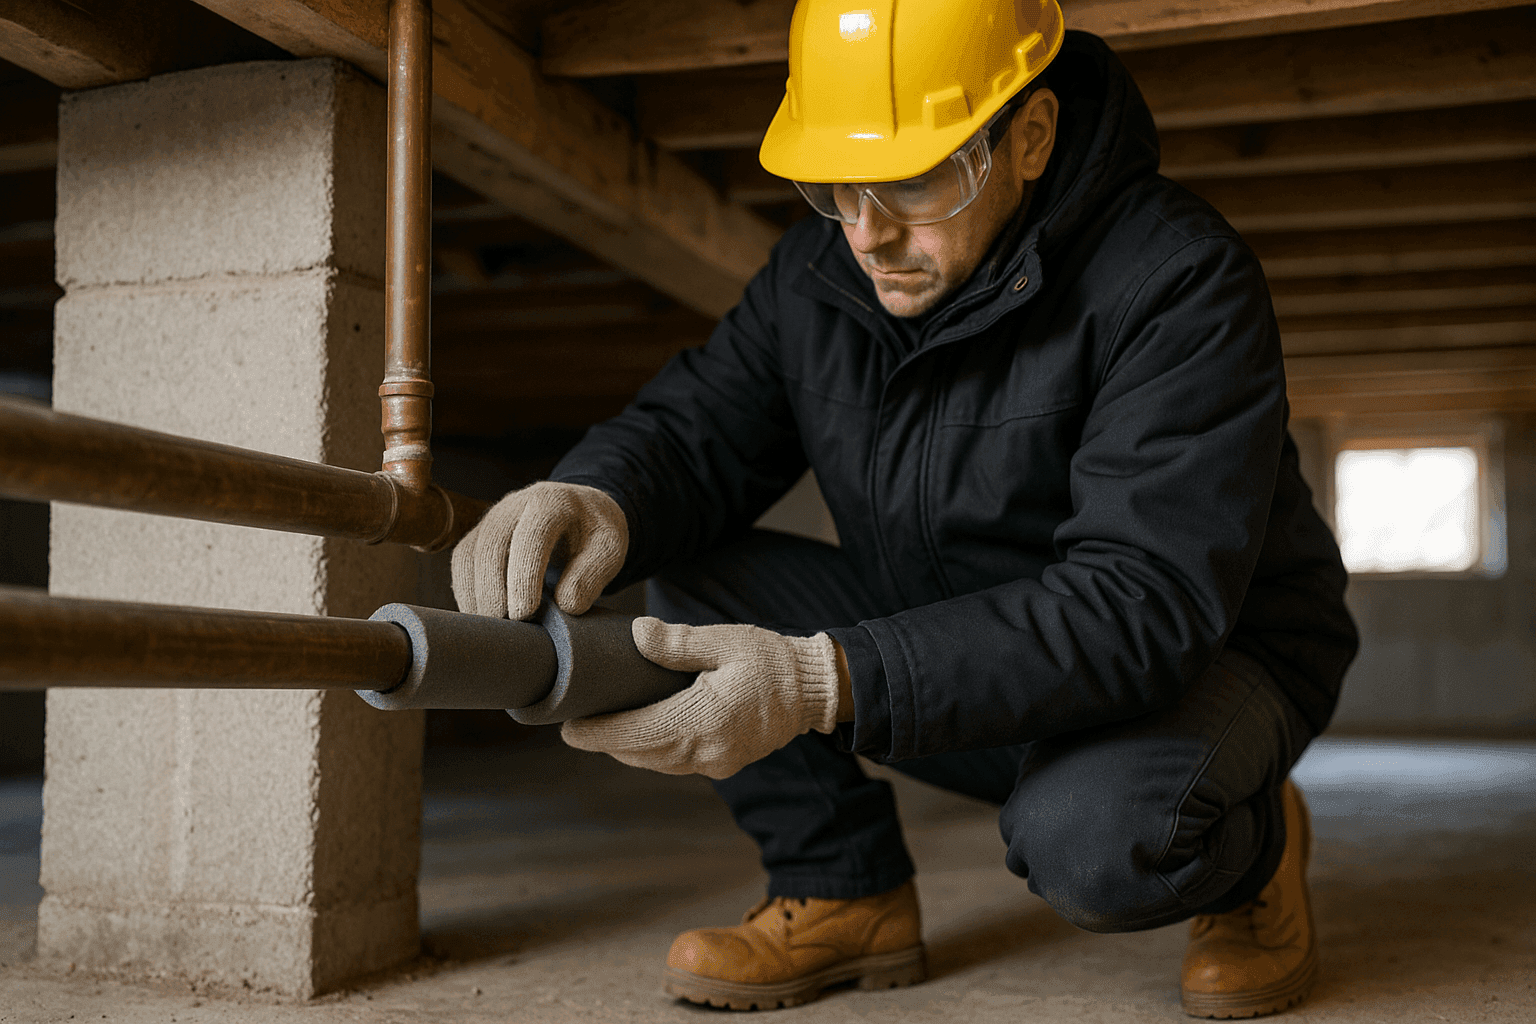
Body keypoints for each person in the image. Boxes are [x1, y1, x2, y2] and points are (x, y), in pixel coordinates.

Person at [450, 0, 1358, 1017]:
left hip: (1205, 659)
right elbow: (701, 427)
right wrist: (592, 490)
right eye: (836, 185)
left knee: (1098, 840)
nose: (868, 231)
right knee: (691, 580)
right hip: (960, 633)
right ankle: (844, 888)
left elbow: (1142, 603)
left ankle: (1253, 842)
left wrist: (819, 678)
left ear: (1030, 138)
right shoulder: (819, 271)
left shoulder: (1176, 280)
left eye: (915, 179)